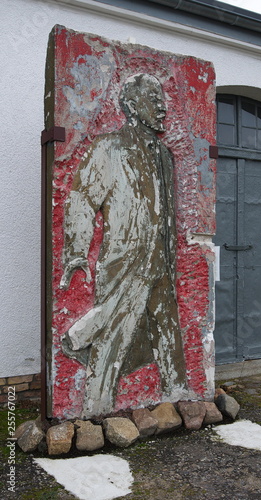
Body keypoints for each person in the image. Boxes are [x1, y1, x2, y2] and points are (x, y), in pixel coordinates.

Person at [61, 73, 187, 418]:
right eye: (153, 99)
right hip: (125, 263)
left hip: (161, 263)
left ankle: (179, 392)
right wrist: (75, 251)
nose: (163, 107)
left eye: (163, 99)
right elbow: (82, 199)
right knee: (113, 338)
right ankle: (95, 410)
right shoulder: (108, 147)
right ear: (131, 106)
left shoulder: (165, 154)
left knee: (167, 332)